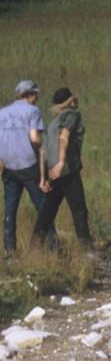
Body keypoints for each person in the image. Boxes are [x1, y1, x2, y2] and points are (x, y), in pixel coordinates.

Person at [33, 86, 92, 251]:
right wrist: (61, 162)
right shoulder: (72, 115)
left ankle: (34, 247)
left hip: (52, 172)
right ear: (70, 99)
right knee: (79, 210)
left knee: (47, 212)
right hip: (66, 169)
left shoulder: (52, 123)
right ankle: (86, 249)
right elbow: (64, 137)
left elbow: (43, 150)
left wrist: (43, 178)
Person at [0, 79, 48, 255]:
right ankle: (51, 245)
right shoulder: (32, 111)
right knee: (43, 205)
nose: (36, 98)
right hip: (27, 163)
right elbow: (34, 137)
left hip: (8, 165)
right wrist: (44, 147)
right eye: (36, 94)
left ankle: (9, 248)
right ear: (30, 94)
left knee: (10, 207)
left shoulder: (2, 112)